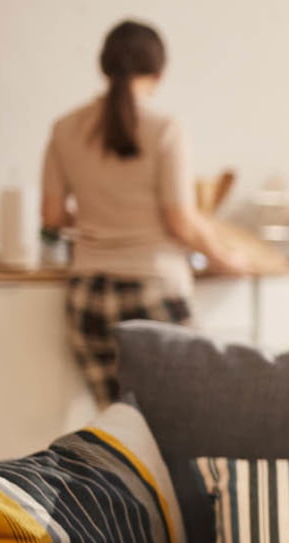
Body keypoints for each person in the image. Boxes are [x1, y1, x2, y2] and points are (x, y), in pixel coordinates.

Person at [41, 19, 245, 406]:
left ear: (104, 66)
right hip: (154, 290)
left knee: (120, 428)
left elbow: (51, 217)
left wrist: (97, 217)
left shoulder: (64, 128)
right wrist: (226, 258)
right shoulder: (164, 128)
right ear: (158, 73)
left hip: (87, 297)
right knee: (192, 415)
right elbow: (179, 220)